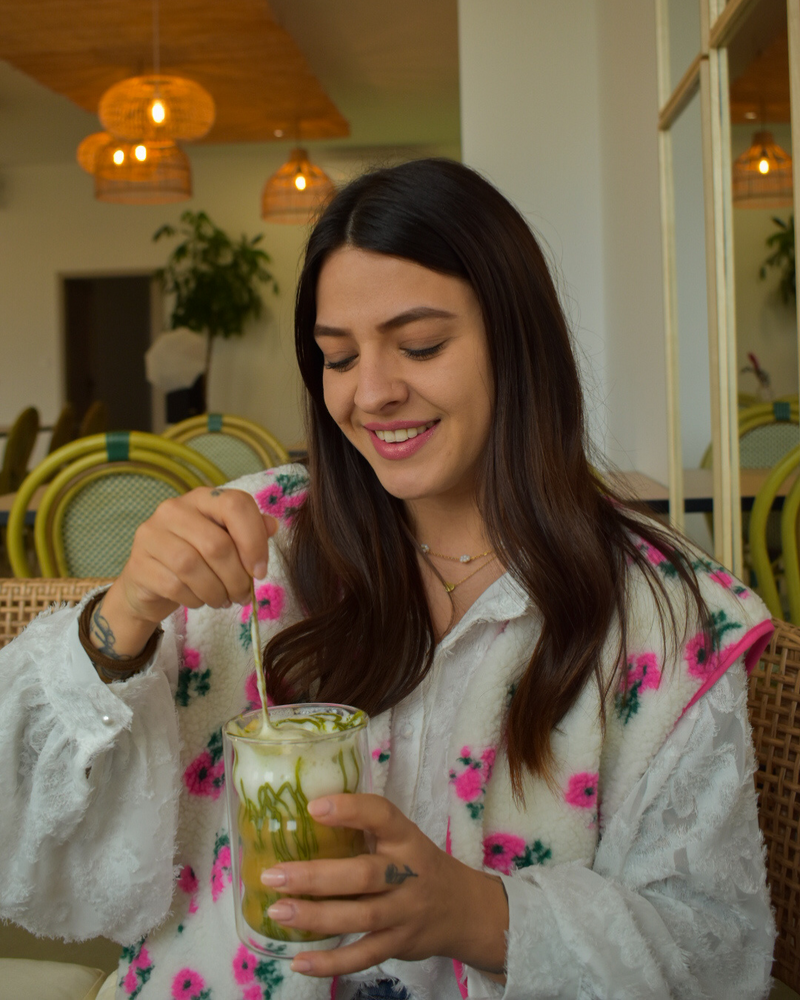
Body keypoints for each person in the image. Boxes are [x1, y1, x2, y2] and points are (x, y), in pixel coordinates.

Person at [0, 159, 776, 1000]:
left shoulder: (666, 618)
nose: (371, 394)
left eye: (421, 346)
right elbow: (23, 824)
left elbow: (712, 952)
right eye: (338, 358)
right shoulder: (259, 543)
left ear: (518, 343)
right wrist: (121, 618)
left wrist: (479, 914)